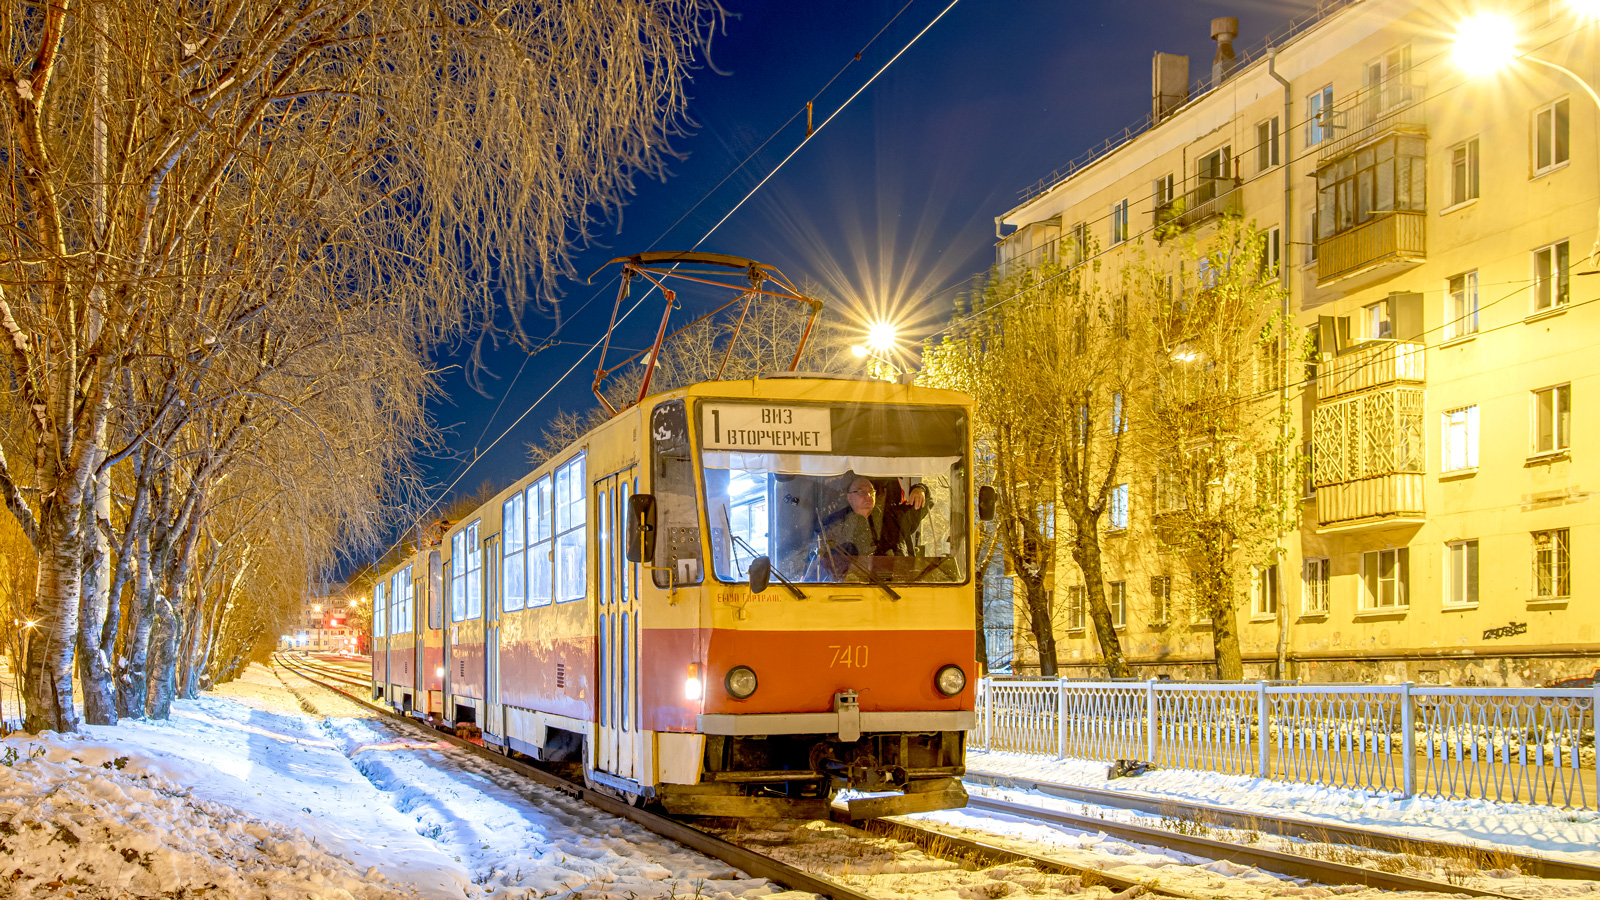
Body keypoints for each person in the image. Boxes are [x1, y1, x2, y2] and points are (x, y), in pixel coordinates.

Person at [814, 476, 931, 577]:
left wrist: (920, 489)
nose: (868, 496)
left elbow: (923, 504)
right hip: (850, 588)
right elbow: (819, 559)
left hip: (896, 587)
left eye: (871, 492)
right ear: (849, 498)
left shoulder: (895, 517)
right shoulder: (834, 524)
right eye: (861, 492)